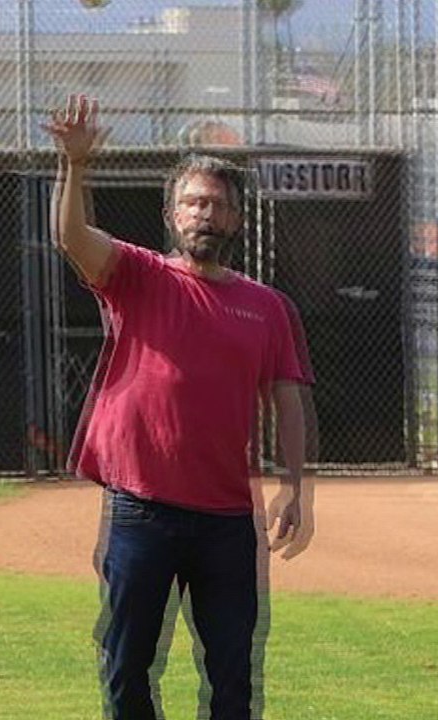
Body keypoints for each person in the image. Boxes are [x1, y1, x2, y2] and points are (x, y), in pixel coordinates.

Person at [45, 94, 314, 720]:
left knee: (232, 675)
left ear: (238, 220)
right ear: (172, 213)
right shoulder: (139, 277)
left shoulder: (267, 307)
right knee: (126, 663)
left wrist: (296, 486)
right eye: (194, 201)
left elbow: (289, 396)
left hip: (225, 521)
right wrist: (75, 166)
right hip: (141, 511)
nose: (205, 213)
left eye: (218, 204)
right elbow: (72, 237)